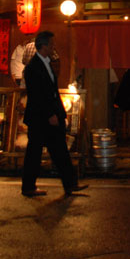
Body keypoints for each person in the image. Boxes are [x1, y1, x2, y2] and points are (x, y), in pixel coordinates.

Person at [20, 31, 87, 198]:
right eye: (51, 45)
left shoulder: (47, 63)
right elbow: (37, 94)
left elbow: (52, 92)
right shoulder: (33, 67)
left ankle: (70, 184)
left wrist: (58, 113)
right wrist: (51, 114)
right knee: (35, 152)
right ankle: (29, 186)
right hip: (40, 117)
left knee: (59, 150)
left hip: (49, 115)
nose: (53, 48)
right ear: (43, 46)